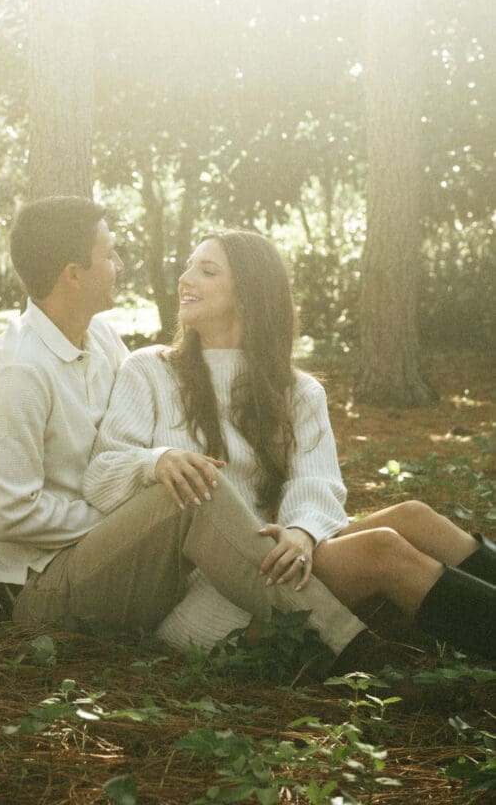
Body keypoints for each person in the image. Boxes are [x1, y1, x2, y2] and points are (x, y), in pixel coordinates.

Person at [0, 197, 399, 677]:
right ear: (74, 273)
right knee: (193, 490)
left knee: (408, 523)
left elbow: (129, 441)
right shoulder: (18, 372)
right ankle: (356, 649)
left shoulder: (102, 340)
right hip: (48, 587)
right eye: (109, 254)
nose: (121, 264)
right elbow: (11, 515)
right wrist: (138, 513)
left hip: (126, 558)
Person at [83, 228, 496, 661]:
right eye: (188, 266)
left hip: (280, 561)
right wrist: (156, 461)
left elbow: (317, 482)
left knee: (415, 516)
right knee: (382, 549)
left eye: (206, 270)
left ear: (248, 293)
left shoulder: (297, 390)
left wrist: (302, 532)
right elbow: (102, 473)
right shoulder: (148, 369)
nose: (185, 279)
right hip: (216, 590)